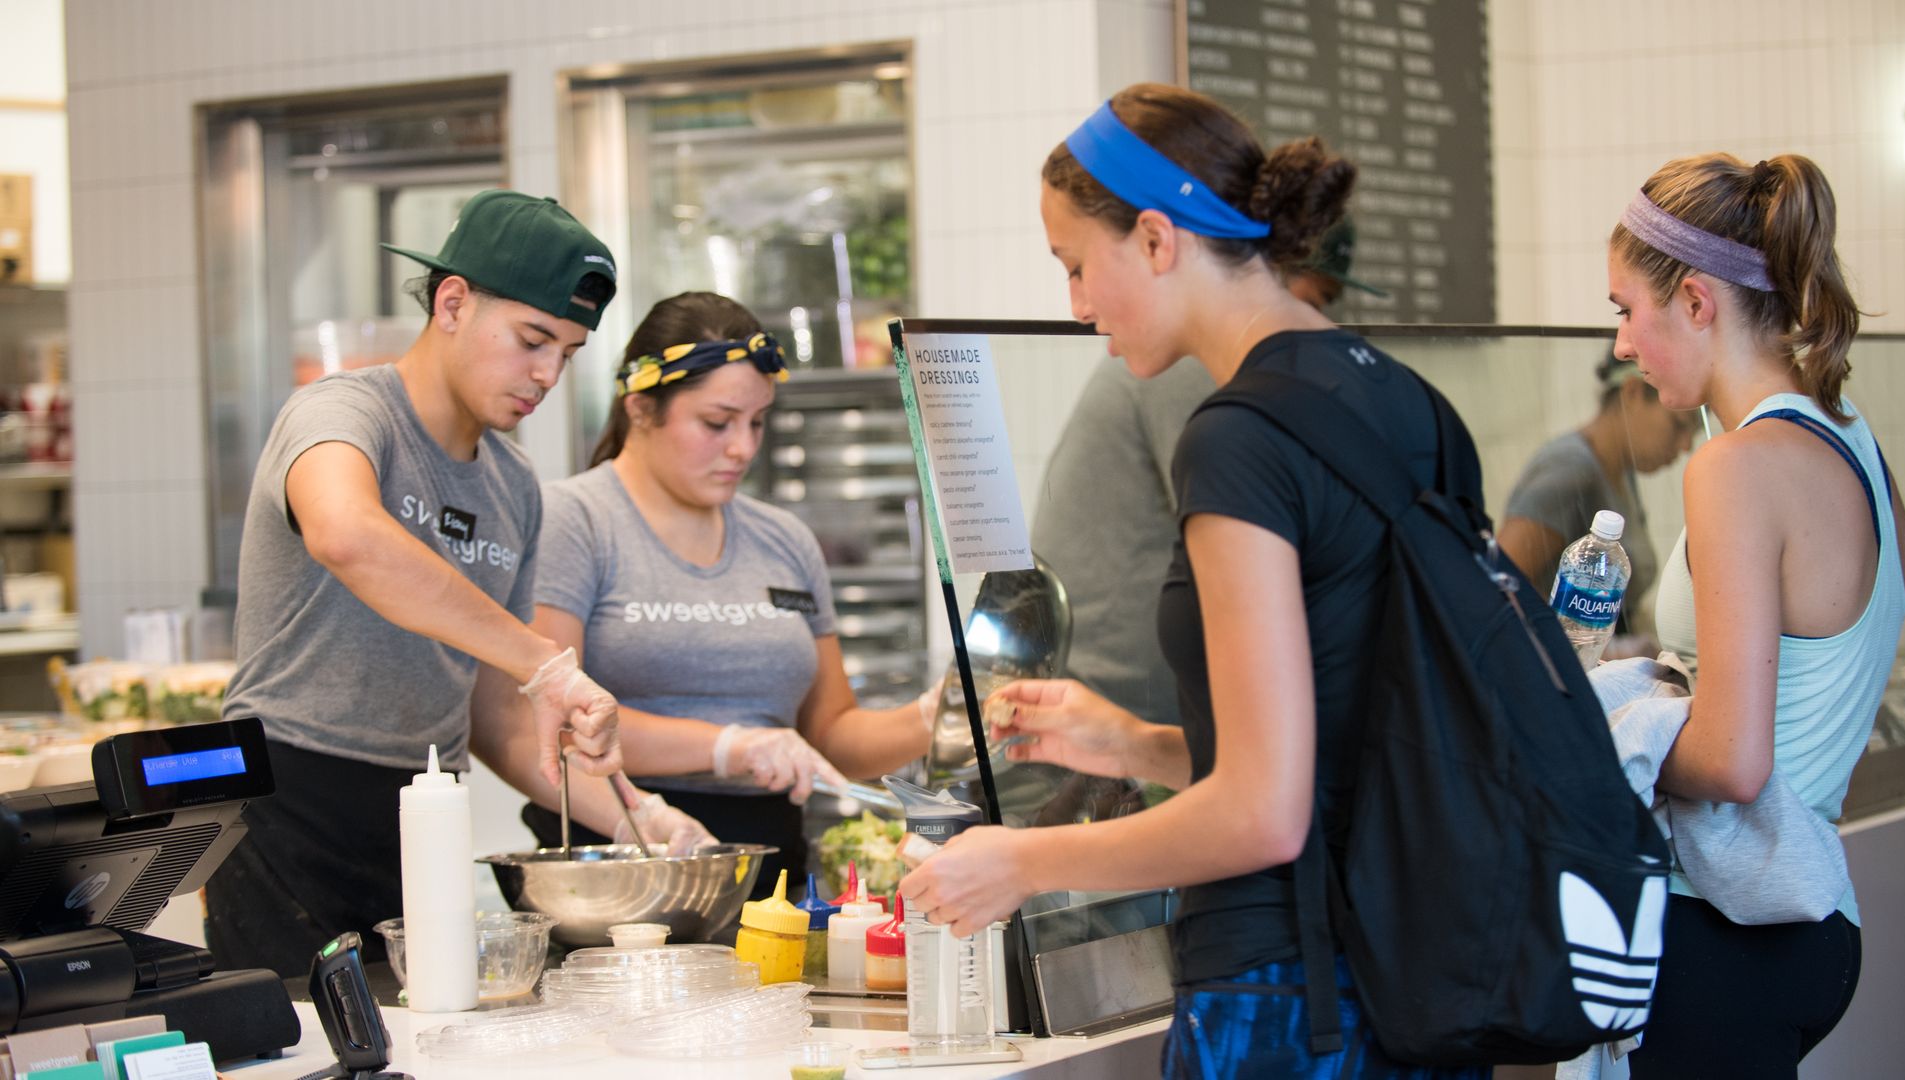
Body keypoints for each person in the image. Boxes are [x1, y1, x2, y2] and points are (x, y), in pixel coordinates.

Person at [898, 84, 1487, 1078]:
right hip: (1425, 967)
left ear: (1159, 241)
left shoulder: (1239, 439)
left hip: (1294, 994)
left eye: (1078, 267)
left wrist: (1020, 861)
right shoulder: (1411, 403)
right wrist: (1132, 742)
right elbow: (1352, 755)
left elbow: (1264, 812)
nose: (1077, 307)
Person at [208, 190, 701, 979]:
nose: (545, 374)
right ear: (452, 302)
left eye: (568, 354)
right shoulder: (342, 414)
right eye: (532, 339)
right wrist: (545, 660)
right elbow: (347, 535)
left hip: (424, 816)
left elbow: (498, 716)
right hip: (285, 805)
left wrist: (641, 816)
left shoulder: (513, 484)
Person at [1606, 153, 1905, 1076]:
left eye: (1625, 309)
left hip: (1722, 930)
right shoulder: (1857, 443)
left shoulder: (1736, 468)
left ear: (1697, 302)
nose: (1620, 344)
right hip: (1813, 919)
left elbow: (1736, 761)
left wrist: (1593, 731)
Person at [500, 291, 937, 896]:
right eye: (716, 423)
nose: (743, 448)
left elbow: (832, 737)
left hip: (773, 870)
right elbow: (551, 726)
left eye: (757, 422)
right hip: (623, 861)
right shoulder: (574, 522)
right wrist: (728, 746)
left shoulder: (785, 541)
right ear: (642, 409)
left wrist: (934, 718)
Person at [1031, 218, 1384, 728]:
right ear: (1266, 273)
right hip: (1097, 726)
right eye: (1312, 300)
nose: (1315, 322)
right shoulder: (1192, 368)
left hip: (1136, 728)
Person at [1496, 353, 1697, 645]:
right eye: (1679, 424)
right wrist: (1600, 651)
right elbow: (1504, 580)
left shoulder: (1622, 471)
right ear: (1633, 392)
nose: (1686, 446)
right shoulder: (1571, 468)